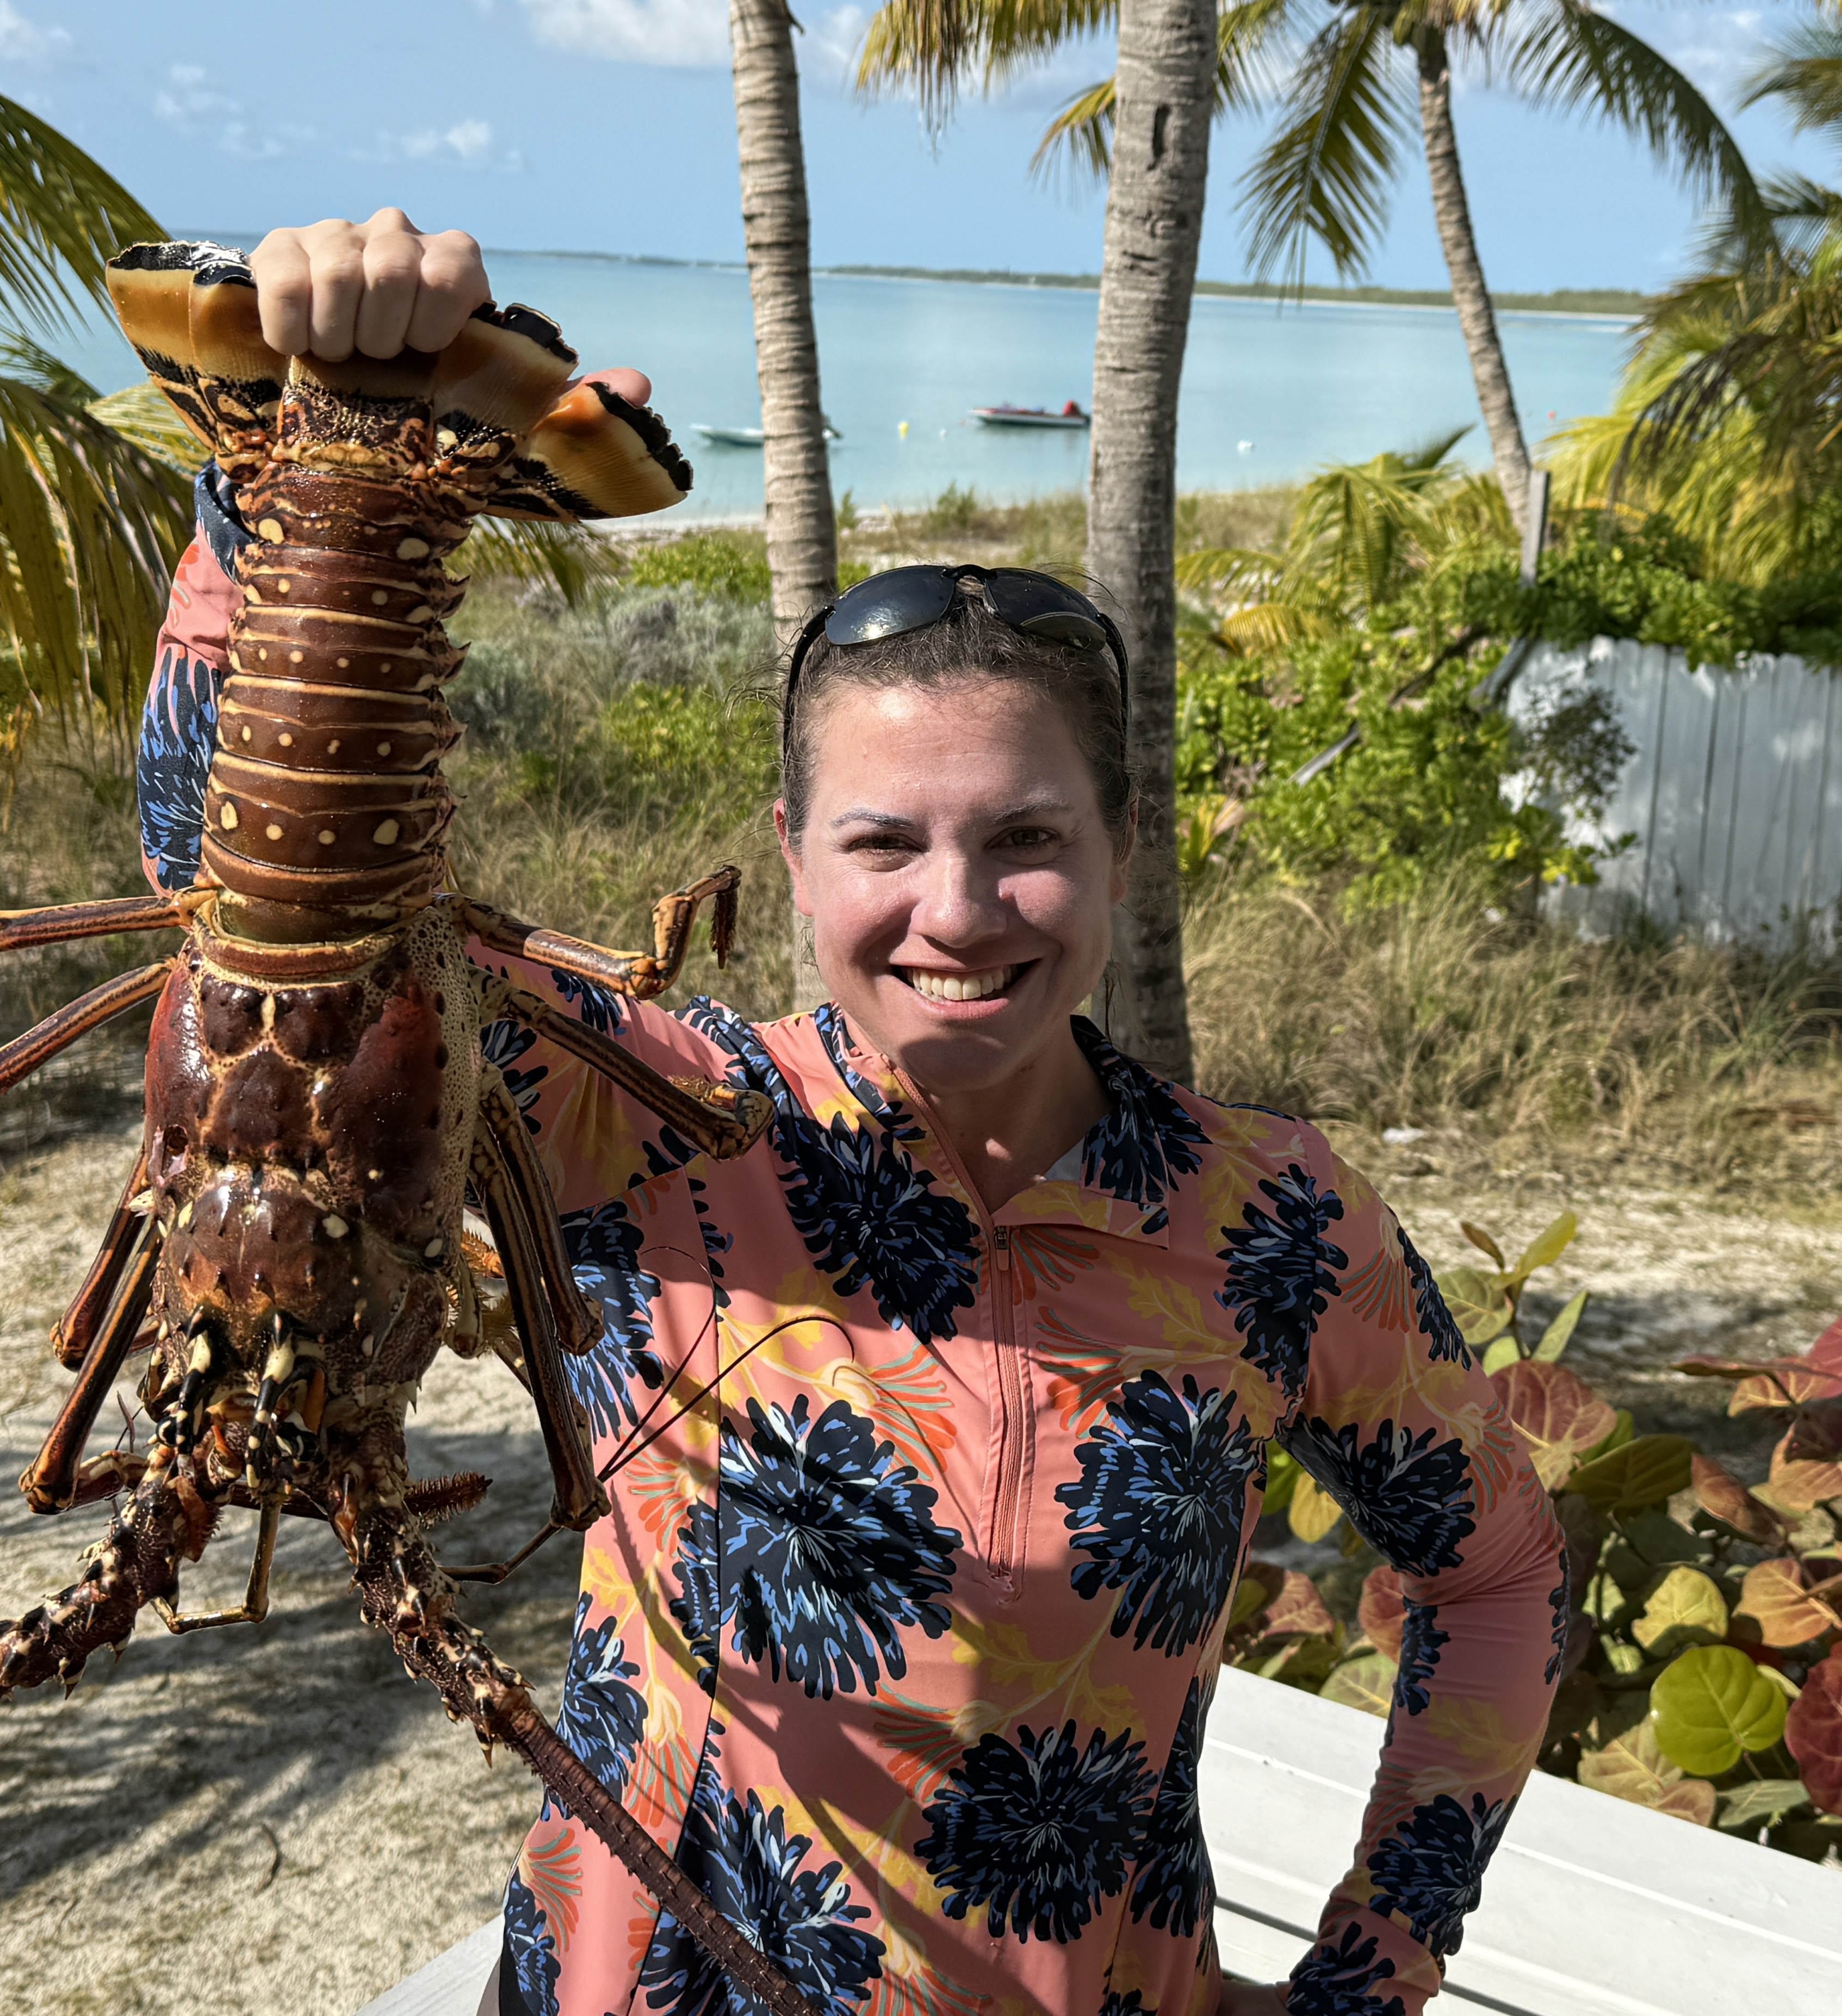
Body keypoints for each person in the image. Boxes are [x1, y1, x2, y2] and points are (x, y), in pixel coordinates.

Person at [134, 211, 1573, 2016]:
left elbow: (1499, 1572)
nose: (956, 911)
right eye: (885, 841)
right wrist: (284, 461)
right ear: (797, 866)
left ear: (1124, 859)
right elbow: (253, 920)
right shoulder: (636, 1120)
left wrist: (1374, 1977)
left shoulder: (1273, 1220)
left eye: (1028, 840)